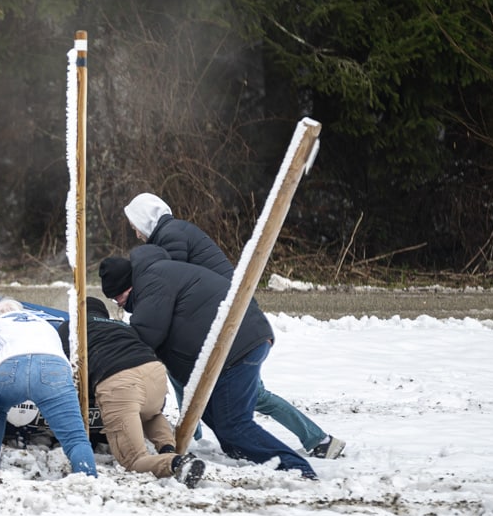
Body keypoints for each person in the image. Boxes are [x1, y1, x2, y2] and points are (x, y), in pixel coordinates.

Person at [122, 192, 346, 460]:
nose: (136, 234)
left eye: (135, 225)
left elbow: (170, 288)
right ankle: (193, 435)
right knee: (189, 377)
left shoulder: (171, 236)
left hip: (232, 323)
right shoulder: (174, 231)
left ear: (145, 220)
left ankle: (316, 439)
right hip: (226, 318)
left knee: (251, 394)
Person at [100, 248, 318, 479]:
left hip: (237, 345)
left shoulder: (152, 281)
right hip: (237, 342)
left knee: (234, 424)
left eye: (118, 297)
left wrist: (116, 343)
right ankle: (242, 455)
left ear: (127, 286)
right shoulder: (155, 277)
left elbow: (147, 334)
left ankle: (296, 468)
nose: (119, 304)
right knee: (212, 412)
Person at [58, 296, 205, 487]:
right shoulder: (122, 325)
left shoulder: (71, 328)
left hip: (118, 380)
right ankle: (168, 448)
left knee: (133, 460)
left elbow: (64, 362)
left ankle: (177, 464)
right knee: (151, 413)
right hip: (154, 372)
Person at [0, 296, 97, 477]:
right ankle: (88, 476)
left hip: (10, 368)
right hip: (52, 367)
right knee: (75, 436)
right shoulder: (43, 323)